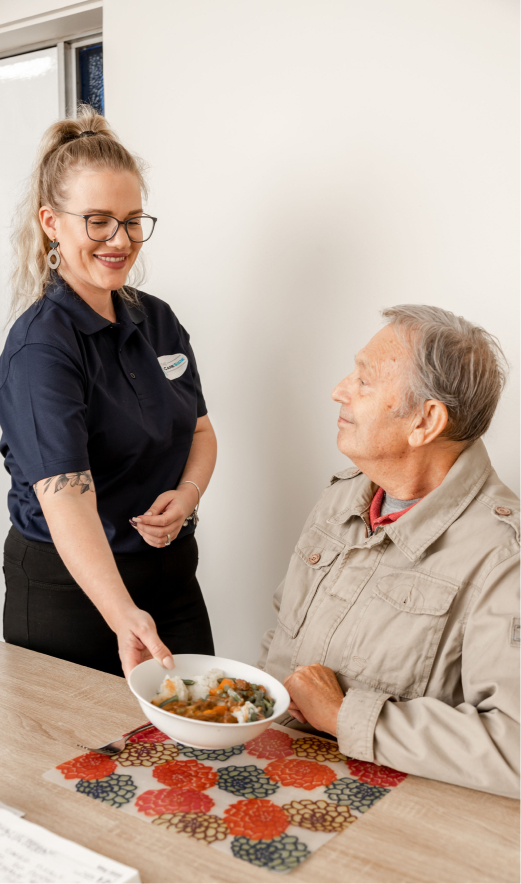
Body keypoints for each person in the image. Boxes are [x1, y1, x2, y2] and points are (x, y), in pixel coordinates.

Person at [259, 305, 519, 799]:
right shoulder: (344, 494)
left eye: (364, 381)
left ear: (425, 422)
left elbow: (514, 747)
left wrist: (343, 717)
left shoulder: (506, 556)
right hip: (277, 776)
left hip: (392, 819)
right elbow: (284, 639)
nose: (339, 389)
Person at [0, 106, 217, 678]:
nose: (119, 240)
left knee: (198, 751)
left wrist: (187, 495)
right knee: (74, 764)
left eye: (132, 220)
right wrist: (123, 614)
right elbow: (65, 497)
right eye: (97, 221)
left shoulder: (158, 320)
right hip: (69, 592)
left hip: (170, 578)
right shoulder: (40, 350)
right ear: (52, 222)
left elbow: (199, 430)